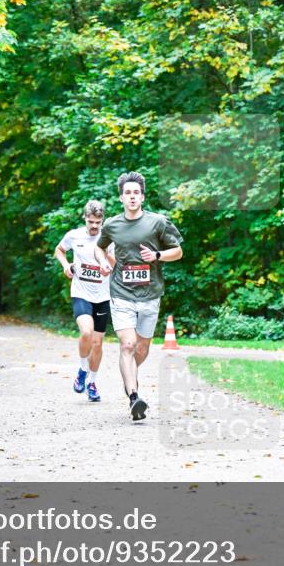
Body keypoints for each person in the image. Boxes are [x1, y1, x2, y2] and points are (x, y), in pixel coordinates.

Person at [94, 171, 183, 421]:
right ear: (121, 197)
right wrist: (103, 263)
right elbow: (99, 248)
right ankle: (134, 397)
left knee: (142, 348)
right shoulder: (112, 224)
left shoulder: (158, 222)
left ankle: (129, 375)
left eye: (136, 193)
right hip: (121, 293)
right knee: (128, 344)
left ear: (142, 197)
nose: (132, 197)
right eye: (127, 193)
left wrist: (157, 256)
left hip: (150, 294)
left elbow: (177, 251)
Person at [53, 200, 116, 402]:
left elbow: (116, 264)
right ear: (85, 218)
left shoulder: (109, 239)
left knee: (97, 344)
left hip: (102, 296)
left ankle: (92, 383)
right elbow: (59, 250)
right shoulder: (74, 235)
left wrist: (108, 261)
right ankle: (82, 369)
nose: (94, 226)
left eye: (98, 222)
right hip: (81, 293)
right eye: (91, 222)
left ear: (103, 220)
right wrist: (65, 265)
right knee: (86, 332)